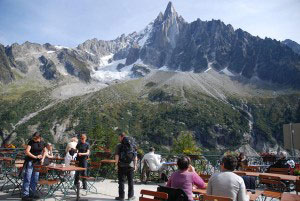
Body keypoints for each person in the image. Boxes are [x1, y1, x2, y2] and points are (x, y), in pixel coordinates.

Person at [22, 132, 46, 201]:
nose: (34, 139)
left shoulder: (42, 142)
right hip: (30, 161)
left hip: (37, 163)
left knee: (35, 178)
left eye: (36, 138)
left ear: (39, 137)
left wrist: (43, 159)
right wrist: (35, 157)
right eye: (34, 138)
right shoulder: (31, 142)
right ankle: (25, 195)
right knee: (28, 178)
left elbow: (45, 151)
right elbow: (27, 151)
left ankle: (32, 193)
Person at [115, 132, 137, 201]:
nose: (118, 138)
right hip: (130, 165)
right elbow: (135, 156)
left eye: (119, 137)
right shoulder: (132, 145)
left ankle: (121, 197)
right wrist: (135, 165)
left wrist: (116, 165)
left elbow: (117, 156)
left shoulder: (119, 145)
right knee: (130, 181)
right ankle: (130, 197)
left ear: (122, 137)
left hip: (121, 165)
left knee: (121, 181)